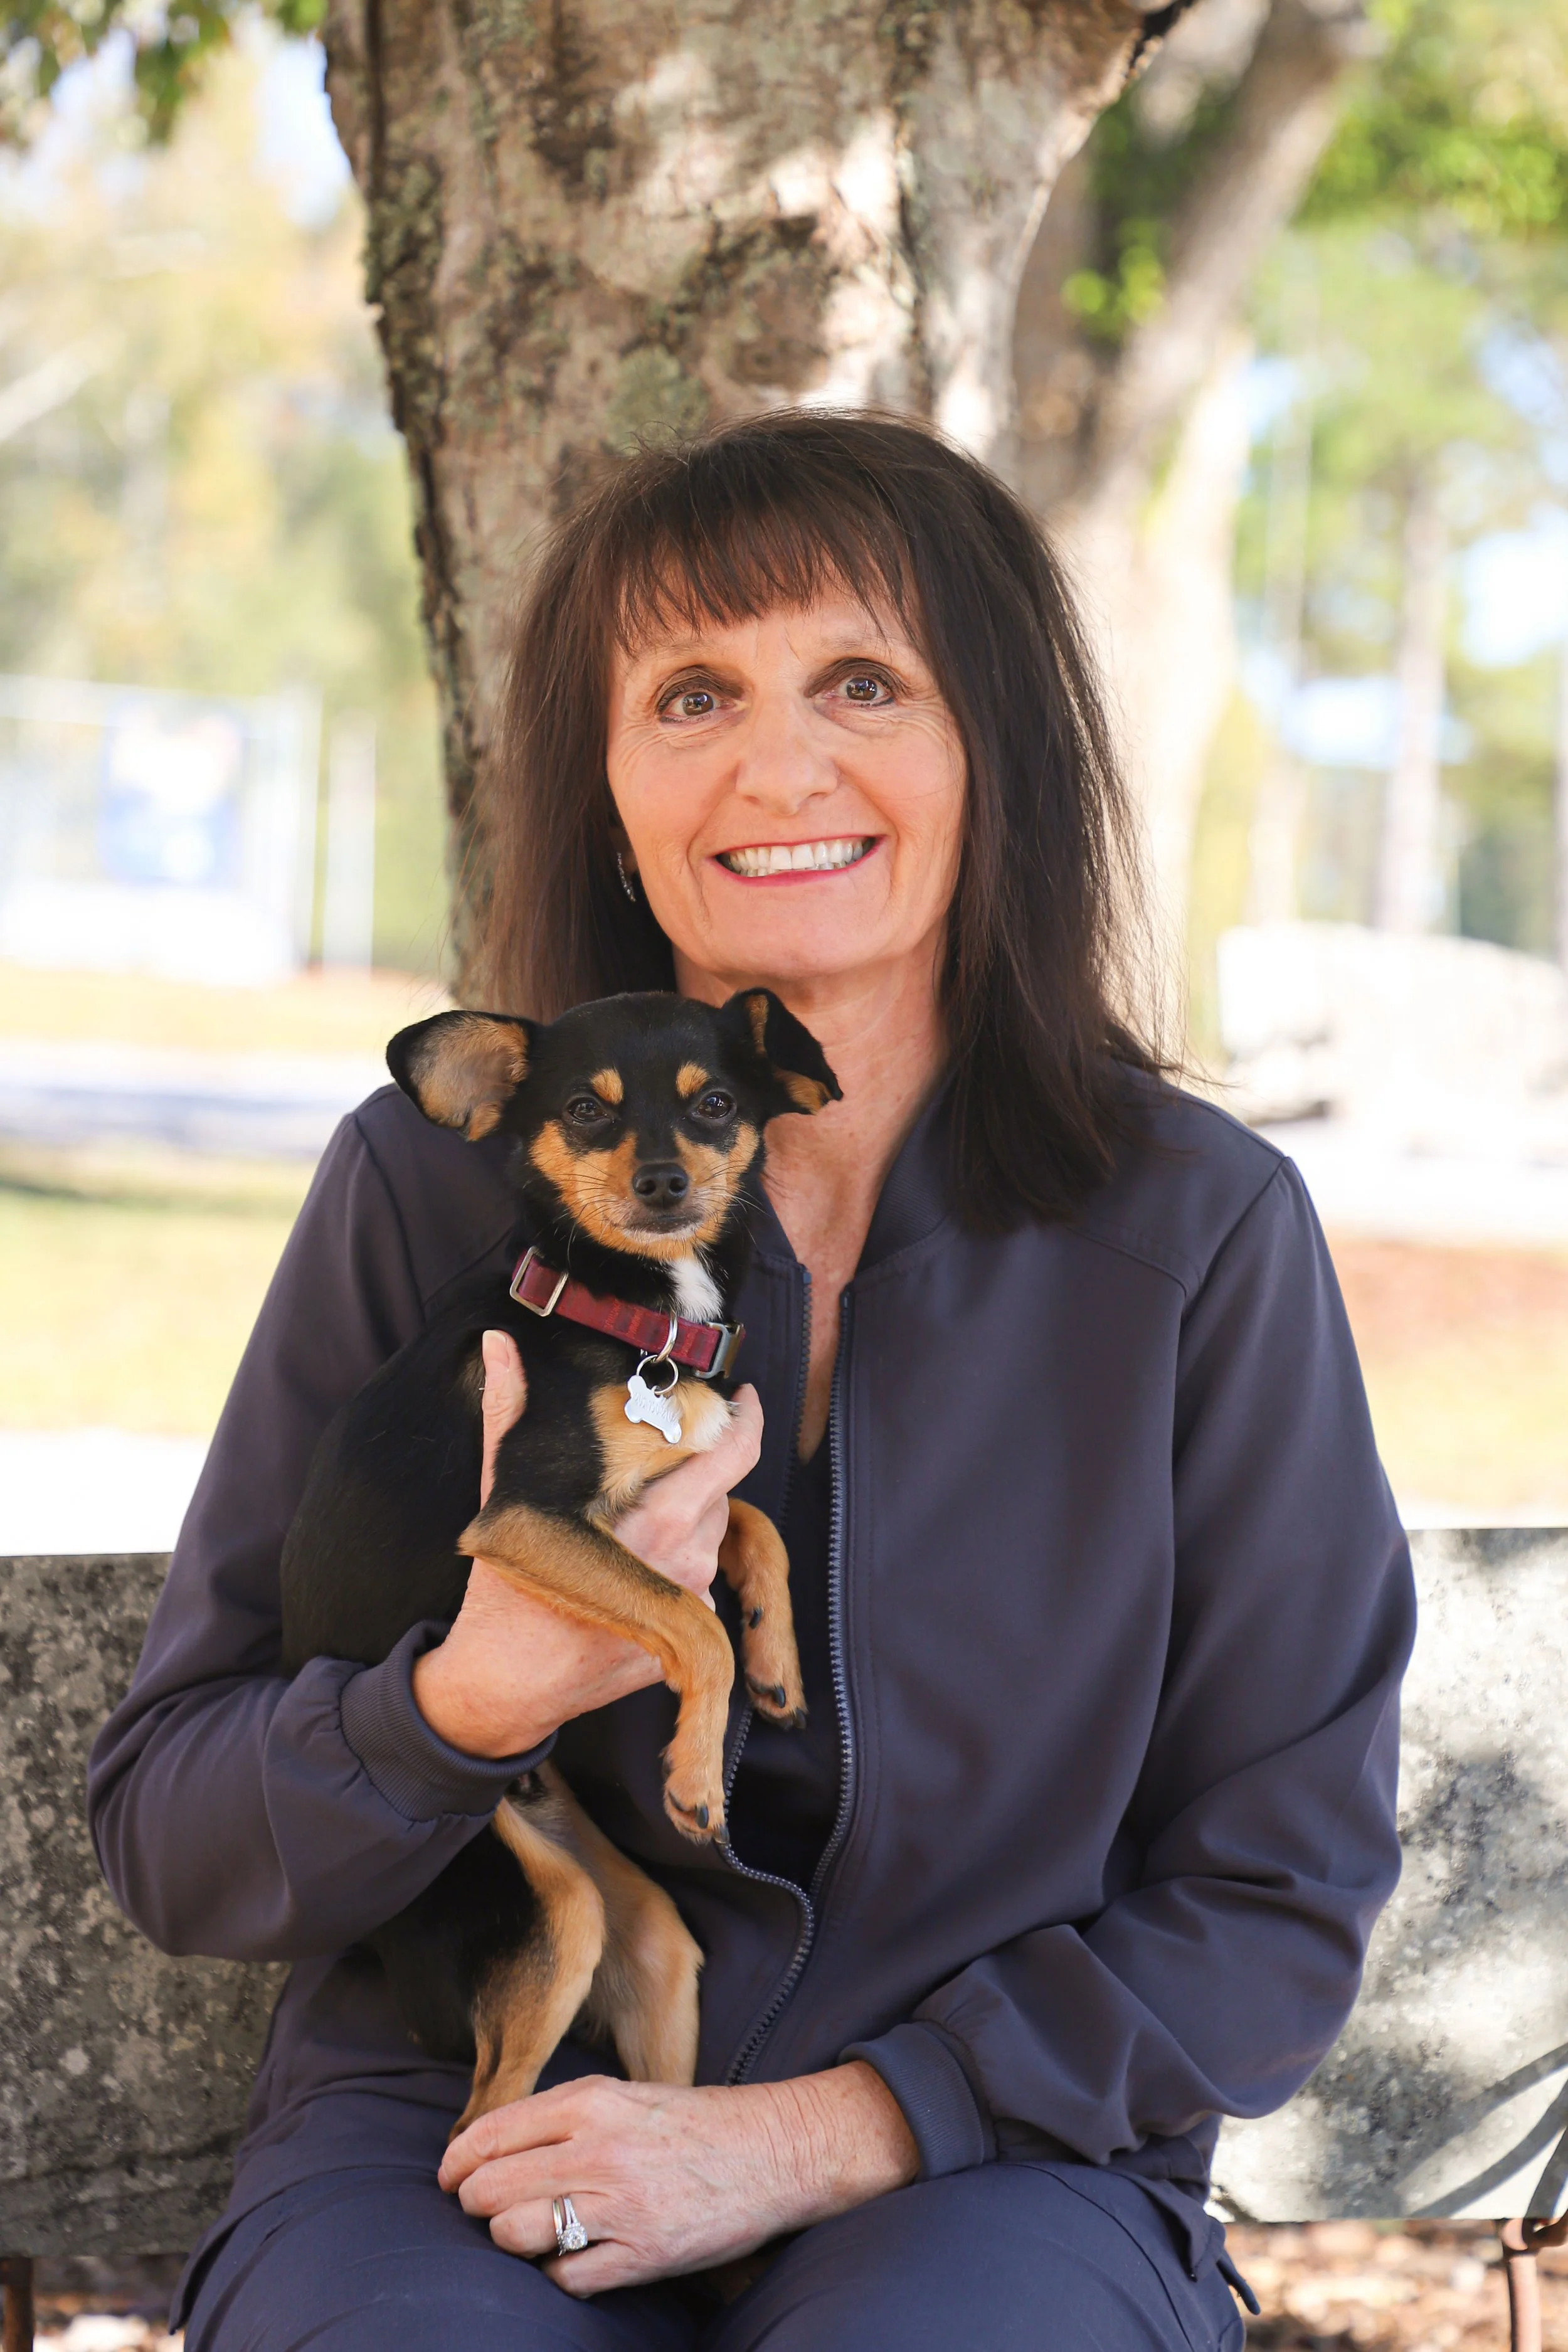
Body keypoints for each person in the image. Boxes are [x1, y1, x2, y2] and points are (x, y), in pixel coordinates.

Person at [88, 411, 1416, 2352]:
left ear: (997, 753)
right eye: (690, 693)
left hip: (991, 2159)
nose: (774, 764)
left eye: (862, 680)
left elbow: (1277, 1891)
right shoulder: (422, 1191)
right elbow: (175, 1824)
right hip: (453, 2113)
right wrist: (472, 1695)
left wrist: (834, 2129)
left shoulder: (1195, 1231)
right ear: (608, 783)